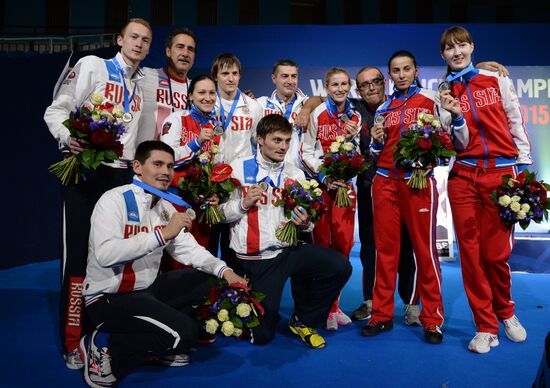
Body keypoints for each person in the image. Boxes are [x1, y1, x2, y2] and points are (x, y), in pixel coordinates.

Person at [79, 140, 247, 388]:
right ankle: (103, 344)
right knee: (186, 334)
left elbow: (189, 249)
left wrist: (226, 270)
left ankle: (159, 342)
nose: (166, 172)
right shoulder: (113, 200)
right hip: (108, 298)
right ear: (137, 166)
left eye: (169, 166)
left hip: (147, 292)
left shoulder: (165, 207)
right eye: (157, 164)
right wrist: (161, 235)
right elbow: (105, 254)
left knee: (210, 281)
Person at [43, 18, 152, 370]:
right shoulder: (93, 65)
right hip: (87, 171)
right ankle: (72, 340)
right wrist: (67, 138)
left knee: (107, 257)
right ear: (120, 39)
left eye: (145, 40)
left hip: (120, 177)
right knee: (76, 257)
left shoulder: (142, 85)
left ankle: (99, 328)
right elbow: (56, 111)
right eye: (133, 37)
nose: (138, 44)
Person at [361, 50, 468, 344]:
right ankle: (381, 315)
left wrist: (455, 121)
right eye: (395, 70)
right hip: (384, 183)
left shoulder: (432, 100)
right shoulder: (384, 107)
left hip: (417, 182)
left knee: (424, 252)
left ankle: (432, 319)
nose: (401, 74)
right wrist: (376, 142)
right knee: (386, 253)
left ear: (415, 69)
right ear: (390, 75)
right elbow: (375, 153)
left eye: (406, 69)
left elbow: (454, 142)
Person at [298, 67, 420, 325]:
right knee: (369, 245)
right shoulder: (354, 108)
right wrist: (307, 109)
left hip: (401, 184)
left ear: (384, 83)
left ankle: (411, 303)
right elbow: (322, 99)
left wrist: (487, 66)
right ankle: (371, 301)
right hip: (366, 187)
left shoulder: (398, 104)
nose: (371, 88)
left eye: (376, 82)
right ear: (358, 90)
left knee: (407, 245)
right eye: (364, 85)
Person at [219, 114, 352, 348]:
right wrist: (242, 204)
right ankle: (239, 301)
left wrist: (305, 223)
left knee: (340, 266)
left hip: (287, 253)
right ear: (260, 139)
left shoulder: (295, 174)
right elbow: (220, 214)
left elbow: (307, 220)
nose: (283, 147)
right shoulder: (237, 168)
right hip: (256, 259)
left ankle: (303, 320)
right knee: (262, 336)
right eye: (277, 140)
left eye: (287, 141)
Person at [438, 26, 532, 353]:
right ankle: (485, 325)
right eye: (450, 48)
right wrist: (456, 116)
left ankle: (506, 311)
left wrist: (522, 167)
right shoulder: (444, 91)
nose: (456, 52)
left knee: (495, 254)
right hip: (463, 176)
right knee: (471, 255)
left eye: (461, 45)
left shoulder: (497, 80)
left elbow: (515, 121)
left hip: (502, 175)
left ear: (472, 46)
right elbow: (457, 144)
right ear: (443, 55)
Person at [299, 67, 361, 330]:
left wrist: (351, 139)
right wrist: (324, 177)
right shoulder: (317, 113)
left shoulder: (355, 115)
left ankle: (334, 306)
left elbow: (358, 153)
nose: (339, 89)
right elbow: (305, 151)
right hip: (323, 189)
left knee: (344, 246)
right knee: (323, 246)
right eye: (334, 84)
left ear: (349, 86)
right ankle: (322, 307)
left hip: (345, 189)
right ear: (326, 87)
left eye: (344, 84)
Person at [208, 53, 263, 261]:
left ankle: (236, 289)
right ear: (215, 76)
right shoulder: (209, 103)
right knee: (211, 238)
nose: (230, 78)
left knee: (235, 239)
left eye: (234, 73)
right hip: (211, 179)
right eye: (225, 73)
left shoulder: (253, 106)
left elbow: (257, 142)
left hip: (239, 180)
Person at [160, 75, 221, 249]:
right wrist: (197, 142)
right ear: (190, 96)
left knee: (199, 256)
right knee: (174, 257)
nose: (207, 97)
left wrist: (216, 192)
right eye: (201, 92)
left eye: (211, 93)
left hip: (203, 205)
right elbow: (168, 159)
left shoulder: (217, 126)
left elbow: (220, 165)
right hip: (174, 200)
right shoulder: (176, 119)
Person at [138, 28, 197, 144]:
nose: (185, 53)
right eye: (180, 47)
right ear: (168, 52)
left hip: (179, 158)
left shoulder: (196, 91)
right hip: (146, 157)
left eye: (190, 49)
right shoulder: (145, 75)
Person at [257, 59, 308, 167]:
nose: (290, 81)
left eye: (294, 76)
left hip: (300, 174)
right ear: (274, 78)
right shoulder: (260, 104)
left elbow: (324, 99)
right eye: (285, 76)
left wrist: (306, 108)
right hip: (268, 172)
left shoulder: (309, 104)